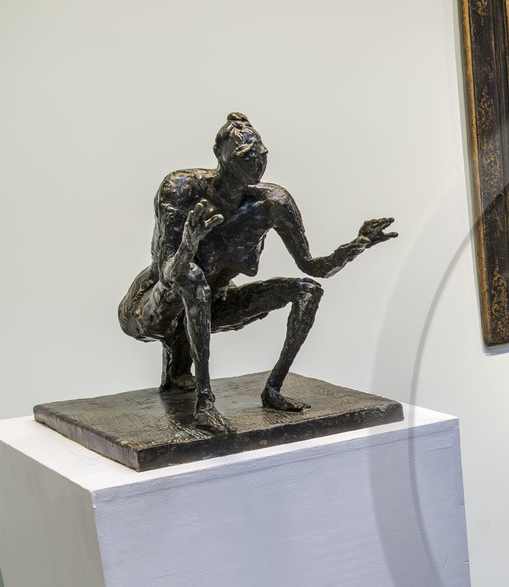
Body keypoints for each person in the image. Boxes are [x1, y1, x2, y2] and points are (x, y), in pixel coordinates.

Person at [117, 113, 397, 433]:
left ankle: (273, 389)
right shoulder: (181, 189)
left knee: (307, 289)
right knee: (193, 279)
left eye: (260, 153)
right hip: (151, 308)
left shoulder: (273, 203)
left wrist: (359, 243)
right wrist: (190, 241)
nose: (256, 162)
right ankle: (205, 404)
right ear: (220, 155)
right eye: (245, 155)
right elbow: (169, 272)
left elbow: (312, 266)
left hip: (212, 306)